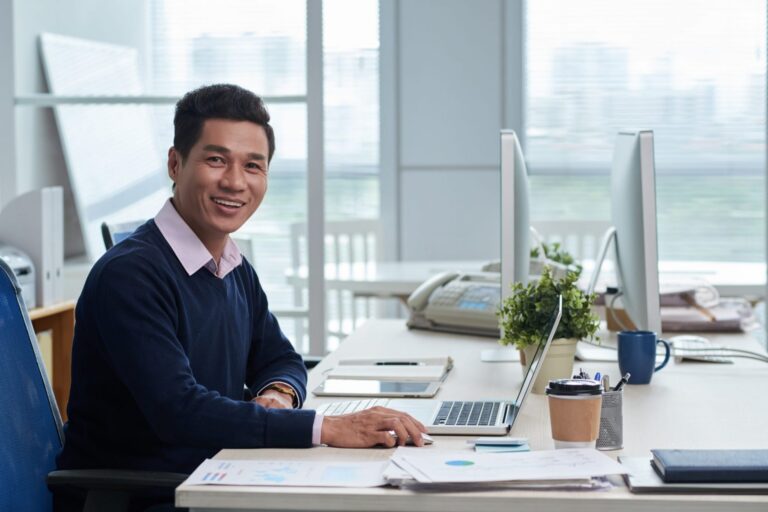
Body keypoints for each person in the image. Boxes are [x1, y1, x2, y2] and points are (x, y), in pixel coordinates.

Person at [56, 84, 426, 491]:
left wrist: (279, 395)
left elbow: (280, 357)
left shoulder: (232, 266)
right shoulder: (130, 276)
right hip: (145, 495)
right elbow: (179, 411)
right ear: (176, 164)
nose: (235, 182)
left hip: (221, 475)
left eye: (254, 166)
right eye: (216, 160)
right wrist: (327, 427)